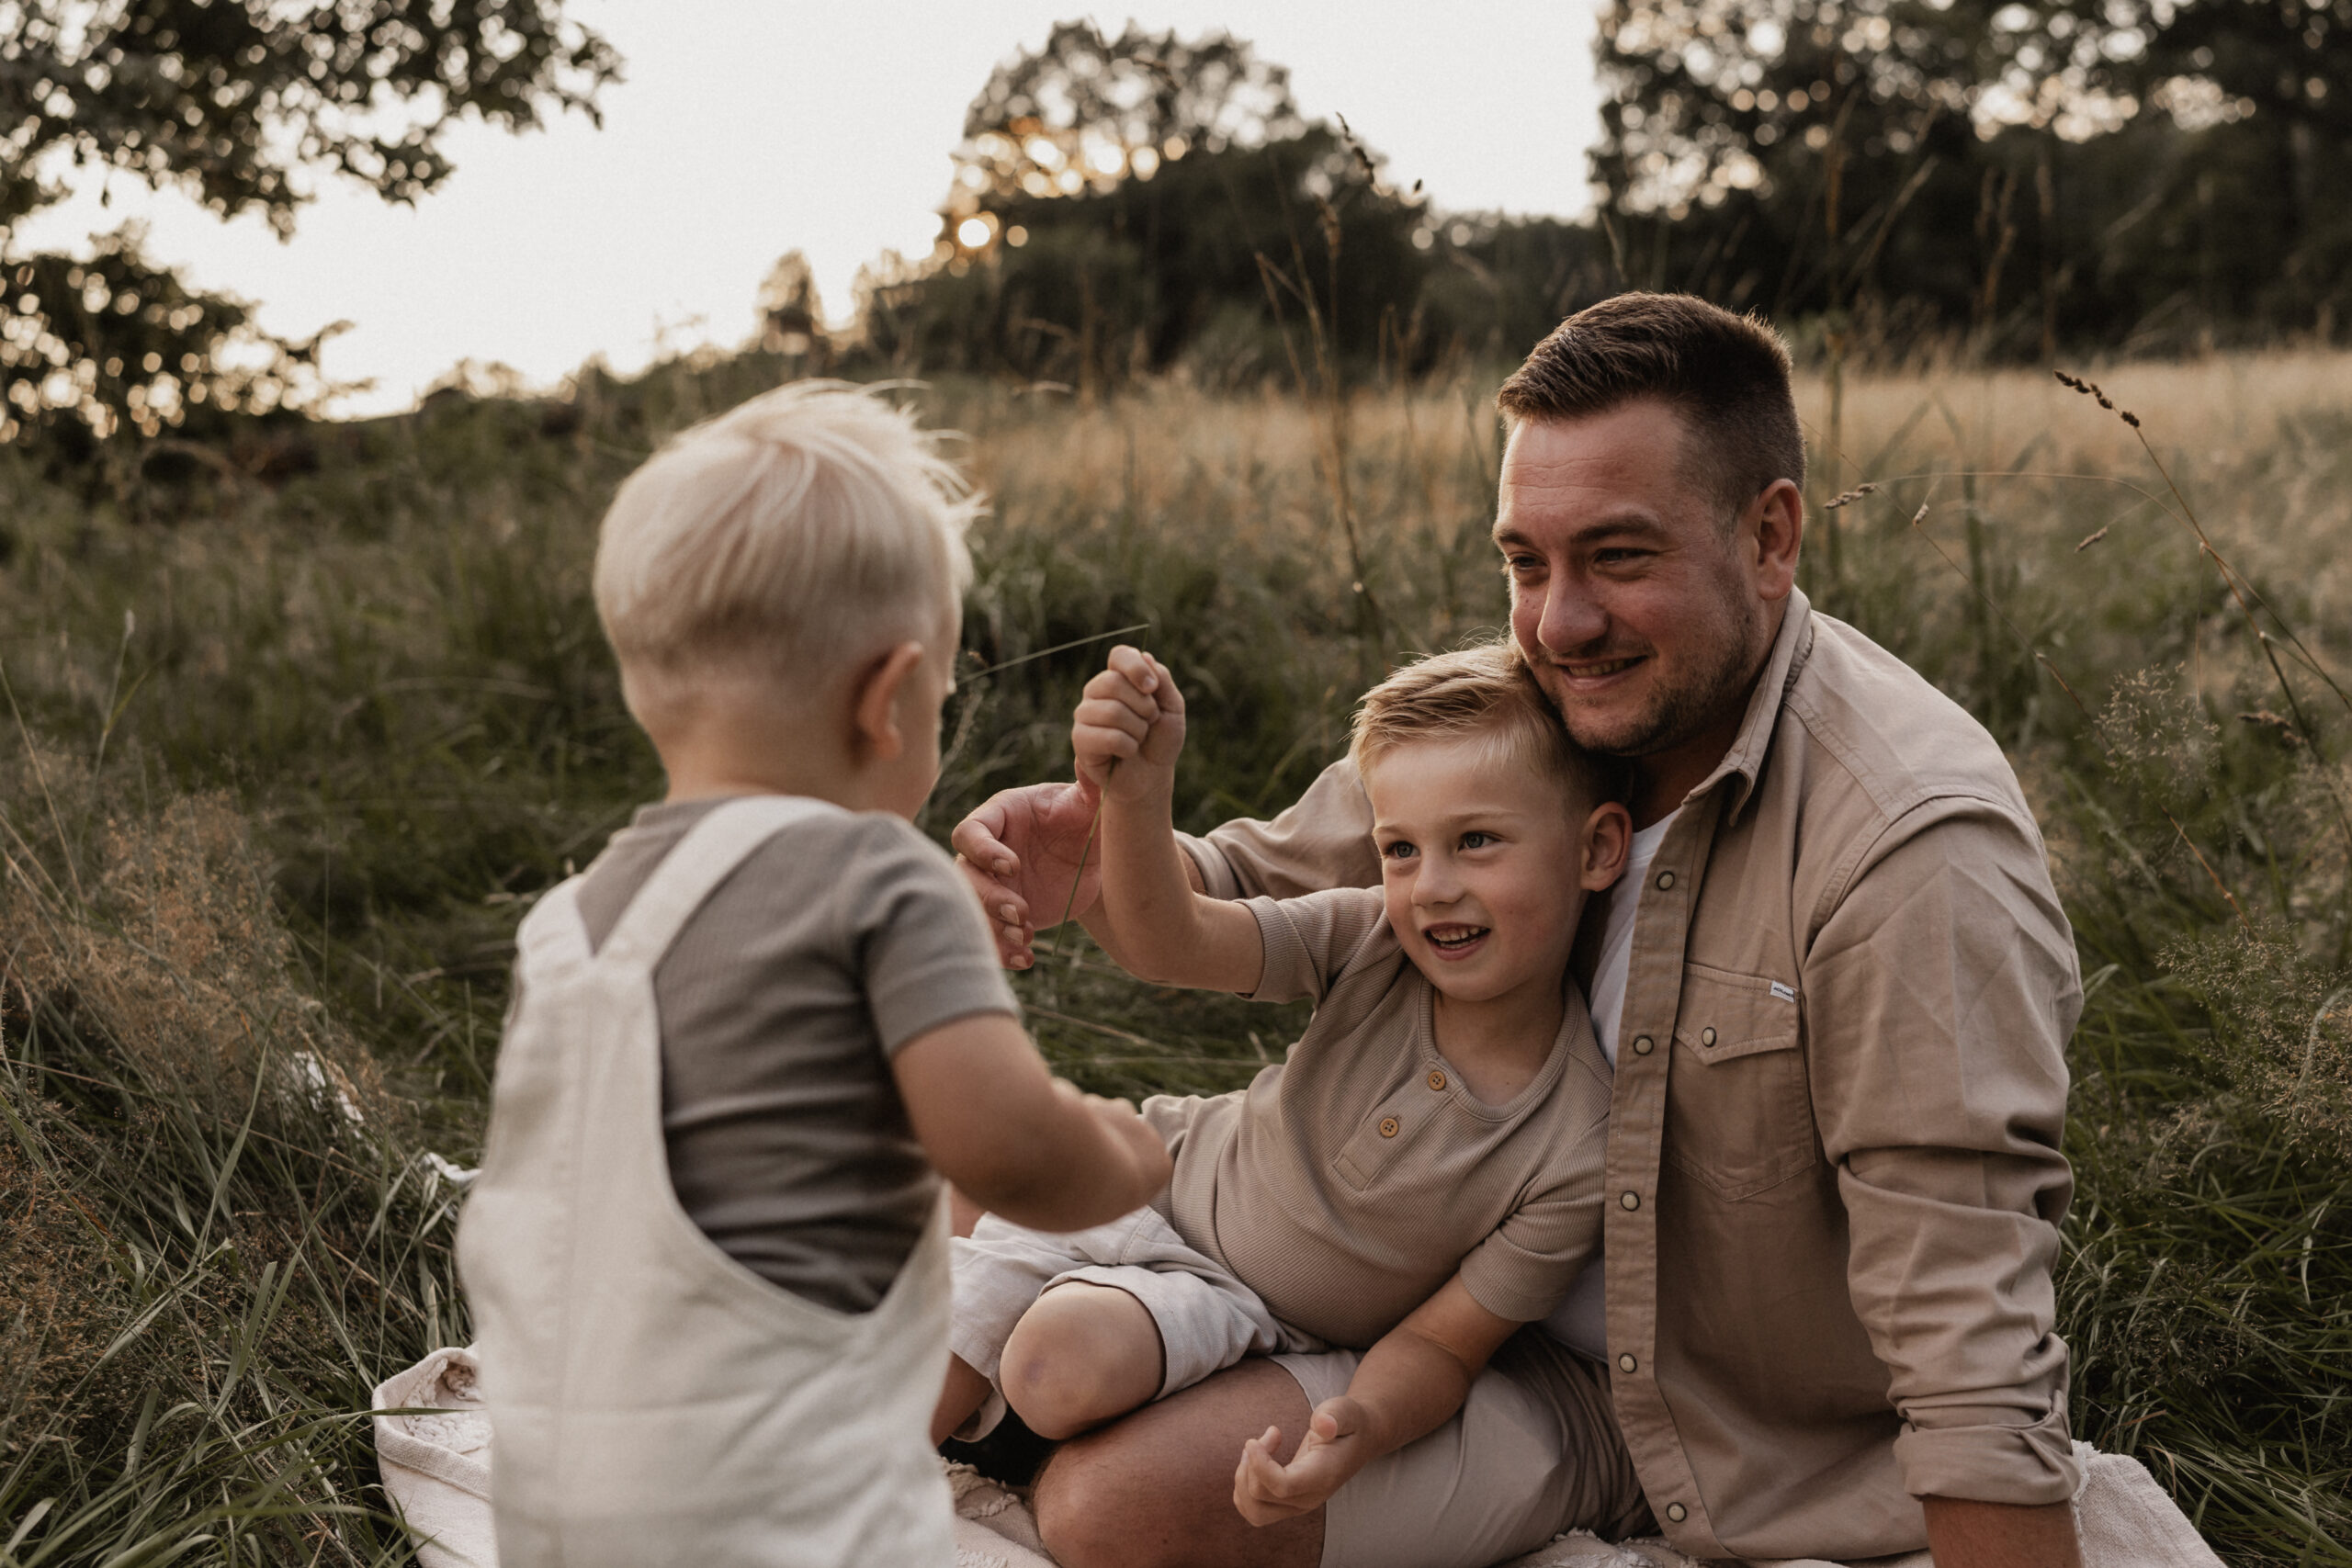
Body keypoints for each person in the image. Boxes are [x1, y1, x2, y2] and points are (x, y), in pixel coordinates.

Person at [954, 294, 2086, 1568]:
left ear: (1770, 535)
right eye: (1526, 562)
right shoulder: (1539, 702)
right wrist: (1098, 859)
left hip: (1667, 1415)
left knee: (1118, 1505)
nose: (1558, 623)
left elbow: (1966, 1332)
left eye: (1618, 556)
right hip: (1391, 1270)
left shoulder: (1908, 849)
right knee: (943, 1174)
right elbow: (1246, 881)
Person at [456, 381, 1170, 1568]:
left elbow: (731, 1101)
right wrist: (1124, 1151)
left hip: (562, 1510)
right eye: (941, 700)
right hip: (791, 1514)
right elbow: (1005, 1149)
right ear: (888, 700)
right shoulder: (884, 878)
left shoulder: (567, 923)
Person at [935, 641, 1630, 1558]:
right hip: (1156, 1173)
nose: (1432, 888)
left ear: (1596, 849)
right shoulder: (1368, 937)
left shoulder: (1577, 1145)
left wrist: (1357, 1429)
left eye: (1476, 841)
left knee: (1053, 1364)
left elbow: (1440, 1346)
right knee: (950, 1193)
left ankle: (977, 1414)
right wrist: (1137, 797)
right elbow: (1173, 942)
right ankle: (834, 1476)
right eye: (1400, 849)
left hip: (1241, 1308)